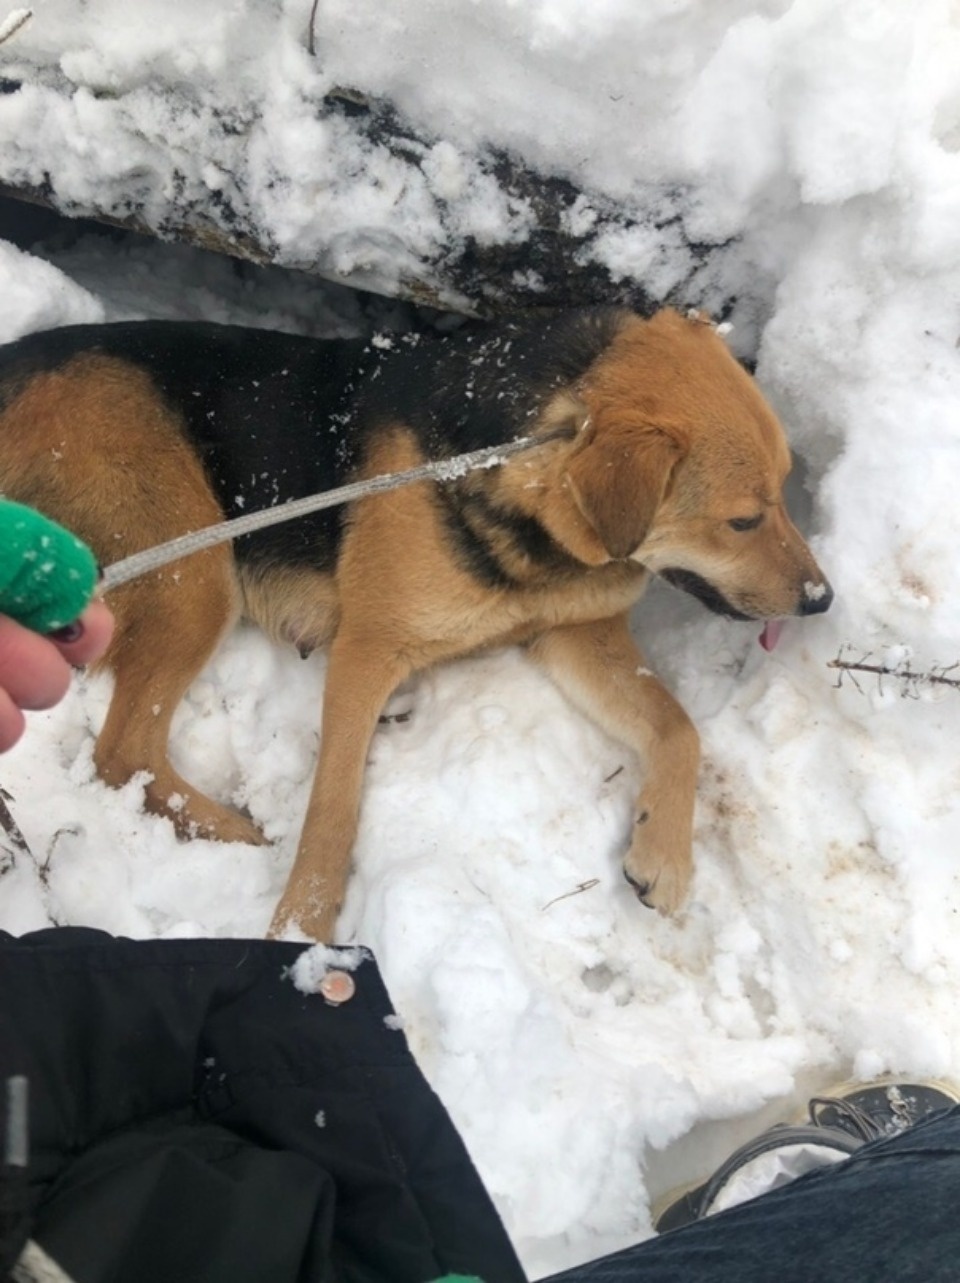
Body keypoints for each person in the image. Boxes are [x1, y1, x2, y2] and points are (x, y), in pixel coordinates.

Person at [3, 511, 960, 1283]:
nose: (795, 563)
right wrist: (319, 868)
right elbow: (373, 643)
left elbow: (577, 614)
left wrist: (673, 747)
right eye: (749, 521)